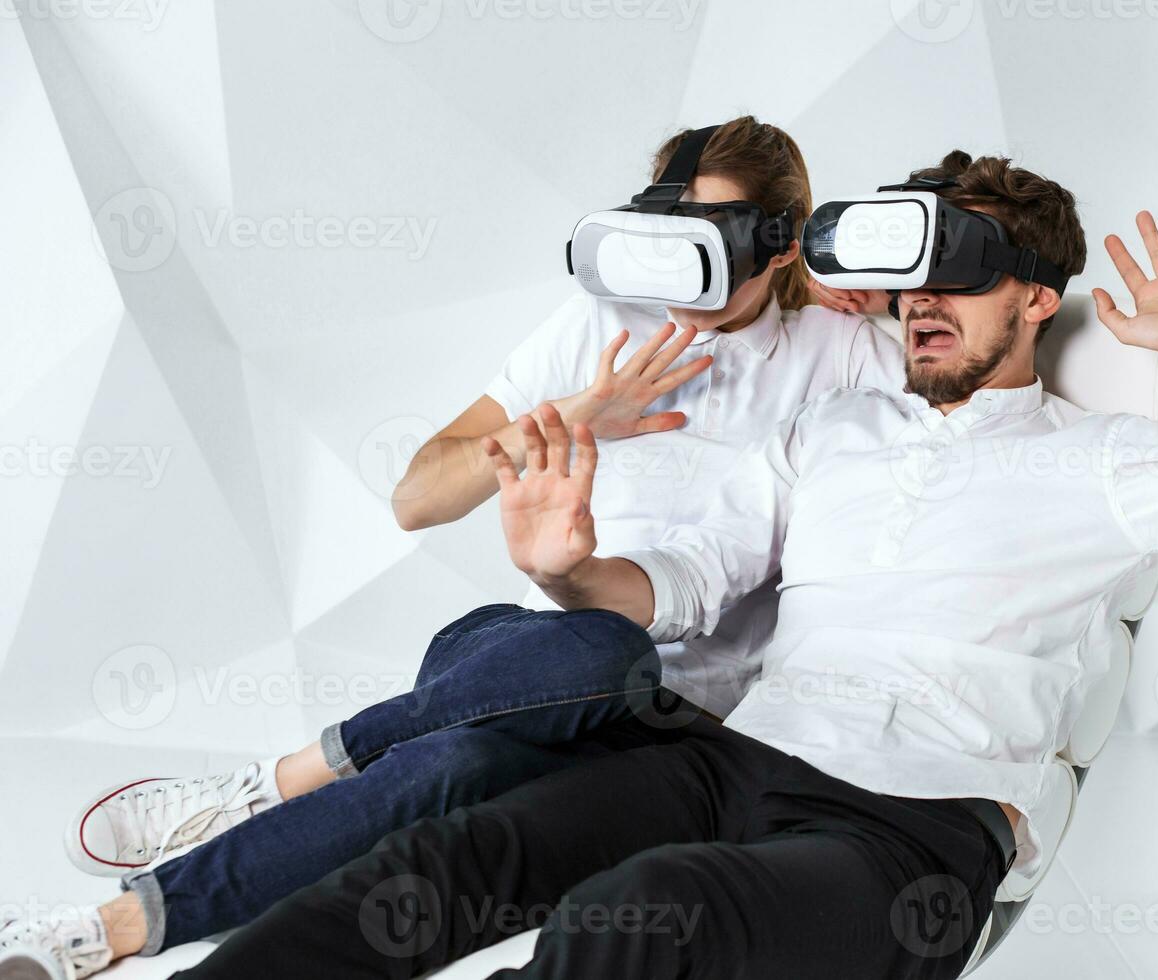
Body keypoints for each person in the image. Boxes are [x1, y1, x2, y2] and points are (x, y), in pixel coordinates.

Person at [157, 152, 1158, 980]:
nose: (921, 300)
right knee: (450, 858)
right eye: (906, 275)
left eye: (957, 275)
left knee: (636, 919)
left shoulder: (1111, 459)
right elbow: (693, 574)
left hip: (911, 831)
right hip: (733, 757)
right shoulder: (838, 429)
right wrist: (572, 569)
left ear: (1035, 296)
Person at [0, 117, 902, 978]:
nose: (679, 280)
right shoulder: (600, 324)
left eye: (712, 247)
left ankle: (112, 926)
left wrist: (881, 290)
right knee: (601, 644)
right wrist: (579, 418)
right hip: (523, 664)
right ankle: (259, 795)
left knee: (458, 768)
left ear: (777, 242)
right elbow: (416, 497)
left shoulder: (845, 351)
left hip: (677, 729)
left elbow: (975, 376)